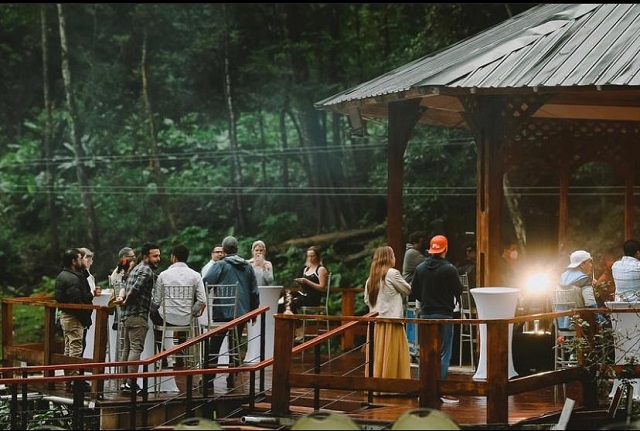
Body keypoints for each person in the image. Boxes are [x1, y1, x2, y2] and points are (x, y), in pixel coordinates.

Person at [410, 234, 463, 404]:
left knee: (425, 353)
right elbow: (459, 290)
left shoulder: (420, 268)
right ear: (445, 249)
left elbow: (415, 292)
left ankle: (423, 390)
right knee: (444, 353)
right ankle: (440, 389)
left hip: (425, 315)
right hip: (445, 315)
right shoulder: (450, 269)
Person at [202, 236, 260, 389]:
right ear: (237, 249)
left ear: (224, 250)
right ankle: (232, 378)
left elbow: (206, 280)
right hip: (241, 313)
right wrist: (253, 311)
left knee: (214, 345)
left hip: (222, 311)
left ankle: (208, 379)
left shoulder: (220, 265)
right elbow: (254, 290)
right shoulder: (247, 266)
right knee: (235, 344)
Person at [152, 244, 207, 367]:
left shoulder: (163, 275)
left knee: (154, 316)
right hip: (186, 319)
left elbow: (156, 300)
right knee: (183, 318)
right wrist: (193, 311)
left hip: (166, 318)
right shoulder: (195, 275)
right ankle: (181, 356)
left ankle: (163, 354)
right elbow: (202, 300)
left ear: (173, 258)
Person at [364, 246, 412, 388]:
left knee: (377, 355)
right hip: (391, 321)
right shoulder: (392, 273)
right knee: (393, 355)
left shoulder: (371, 278)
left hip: (375, 323)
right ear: (389, 258)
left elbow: (367, 300)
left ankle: (376, 386)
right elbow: (407, 289)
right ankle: (392, 386)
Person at [119, 242, 161, 394]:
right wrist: (126, 301)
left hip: (127, 316)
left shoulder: (135, 268)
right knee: (135, 349)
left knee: (127, 349)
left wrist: (124, 302)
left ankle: (124, 383)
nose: (158, 259)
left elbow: (126, 285)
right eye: (155, 256)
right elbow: (136, 289)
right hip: (137, 315)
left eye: (159, 256)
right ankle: (131, 383)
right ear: (145, 257)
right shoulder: (146, 270)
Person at [54, 248, 94, 391]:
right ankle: (75, 380)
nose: (81, 260)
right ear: (73, 261)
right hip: (74, 316)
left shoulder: (63, 275)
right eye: (79, 258)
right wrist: (86, 318)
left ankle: (70, 379)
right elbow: (76, 302)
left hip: (66, 315)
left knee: (69, 346)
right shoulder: (72, 278)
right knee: (76, 347)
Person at [559, 250, 606, 326]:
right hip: (581, 323)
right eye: (589, 262)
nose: (591, 265)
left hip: (561, 321)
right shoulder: (584, 280)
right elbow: (590, 303)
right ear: (582, 265)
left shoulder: (561, 278)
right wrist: (600, 320)